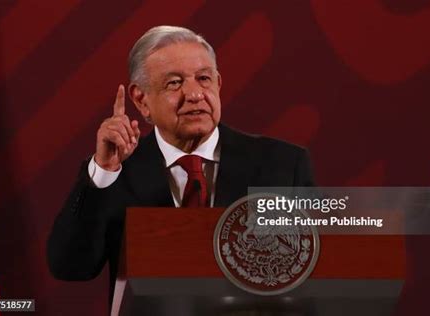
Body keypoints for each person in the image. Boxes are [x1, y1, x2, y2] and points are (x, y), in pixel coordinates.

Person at [47, 25, 314, 303]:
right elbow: (70, 267)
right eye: (174, 83)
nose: (195, 94)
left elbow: (315, 275)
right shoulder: (115, 170)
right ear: (141, 99)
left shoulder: (282, 165)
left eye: (203, 78)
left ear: (218, 84)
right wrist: (103, 171)